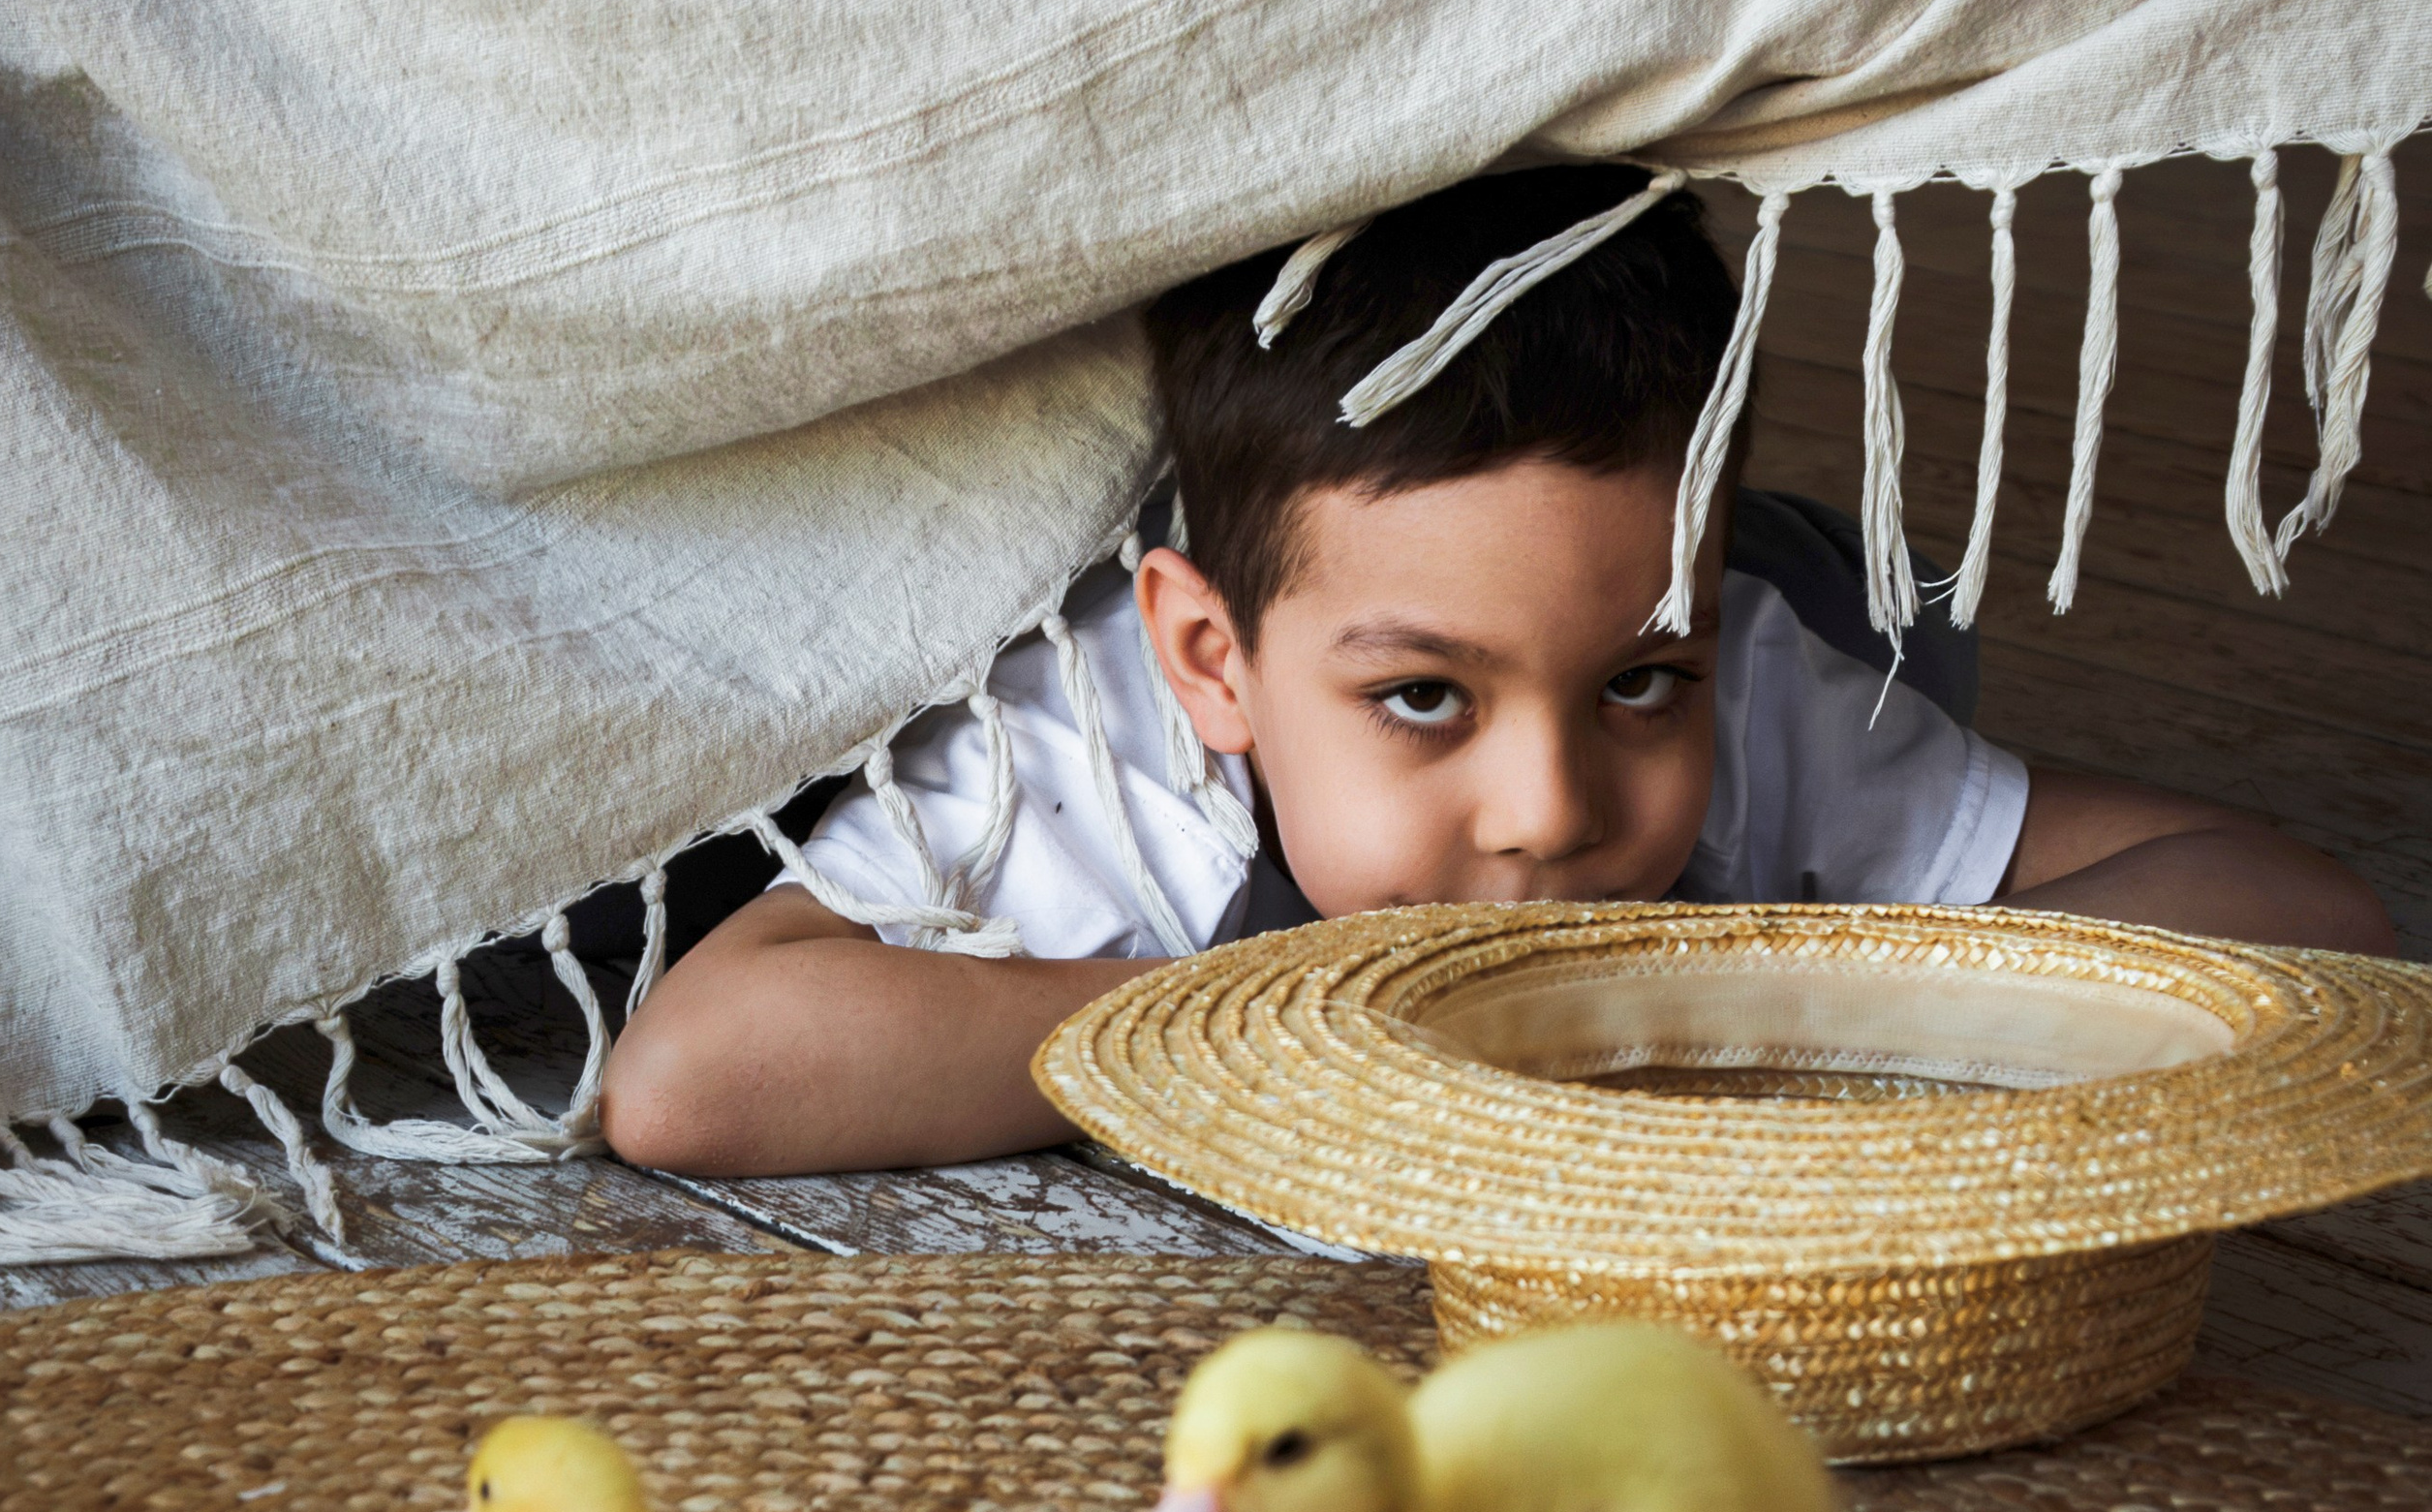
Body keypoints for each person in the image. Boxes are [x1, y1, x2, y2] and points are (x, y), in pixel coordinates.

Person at [600, 167, 2394, 1178]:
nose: (1550, 814)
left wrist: (1782, 993)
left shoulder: (1751, 687)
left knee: (1876, 610)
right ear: (1214, 661)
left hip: (1794, 583)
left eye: (1636, 688)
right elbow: (692, 1078)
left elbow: (2308, 917)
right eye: (1425, 700)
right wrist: (1250, 1022)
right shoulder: (1109, 749)